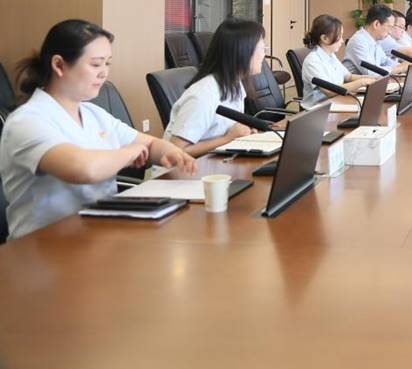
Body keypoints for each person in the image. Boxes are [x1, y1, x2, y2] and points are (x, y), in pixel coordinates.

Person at [0, 20, 196, 239]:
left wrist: (170, 152)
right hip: (43, 246)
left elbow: (149, 144)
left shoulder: (93, 113)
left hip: (97, 234)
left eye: (107, 64)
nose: (103, 73)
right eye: (95, 64)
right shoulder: (27, 121)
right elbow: (82, 169)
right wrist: (129, 152)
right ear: (59, 65)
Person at [163, 18, 267, 157]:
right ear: (242, 51)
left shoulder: (235, 85)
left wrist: (243, 132)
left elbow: (225, 129)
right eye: (262, 48)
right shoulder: (203, 95)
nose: (264, 54)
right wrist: (227, 139)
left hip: (214, 163)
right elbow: (175, 151)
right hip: (182, 169)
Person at [300, 14, 375, 105]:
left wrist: (374, 78)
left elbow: (349, 77)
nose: (342, 41)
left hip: (336, 101)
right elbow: (330, 91)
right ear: (324, 38)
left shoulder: (330, 55)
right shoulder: (312, 61)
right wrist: (362, 82)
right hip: (319, 109)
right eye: (339, 36)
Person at [345, 4, 407, 76]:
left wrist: (404, 66)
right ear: (376, 24)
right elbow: (372, 73)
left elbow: (385, 61)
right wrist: (400, 68)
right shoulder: (358, 41)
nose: (390, 32)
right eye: (389, 27)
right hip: (355, 83)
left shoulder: (375, 41)